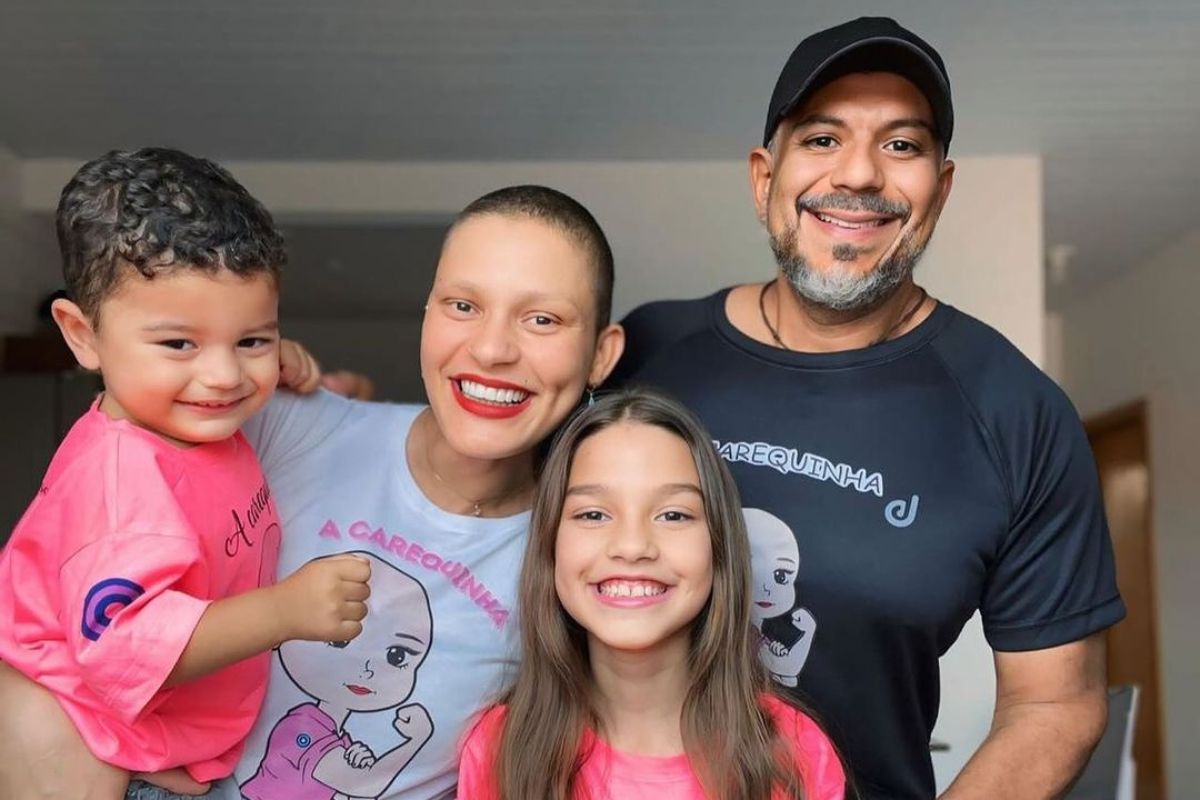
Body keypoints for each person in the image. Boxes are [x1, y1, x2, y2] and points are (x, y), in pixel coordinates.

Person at [610, 17, 1124, 799]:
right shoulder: (646, 354)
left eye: (902, 145)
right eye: (821, 139)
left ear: (940, 189)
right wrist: (350, 429)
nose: (859, 174)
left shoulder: (1017, 412)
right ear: (763, 178)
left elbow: (1056, 702)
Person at [0, 183, 625, 800]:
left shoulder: (582, 557)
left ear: (601, 355)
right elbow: (56, 594)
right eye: (463, 306)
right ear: (428, 314)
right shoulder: (269, 419)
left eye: (542, 319)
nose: (491, 349)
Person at [0, 148, 372, 800]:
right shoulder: (121, 480)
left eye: (251, 339)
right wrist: (283, 612)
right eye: (180, 344)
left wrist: (275, 363)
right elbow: (125, 646)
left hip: (171, 746)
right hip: (118, 760)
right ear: (83, 335)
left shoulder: (186, 422)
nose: (224, 376)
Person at [457, 389, 845, 799]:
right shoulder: (501, 749)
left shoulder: (794, 753)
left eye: (673, 514)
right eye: (593, 514)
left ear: (718, 548)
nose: (632, 545)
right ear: (550, 544)